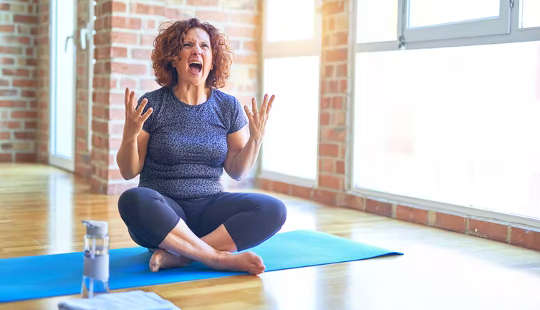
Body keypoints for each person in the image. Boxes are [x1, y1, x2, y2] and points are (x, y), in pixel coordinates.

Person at [116, 18, 286, 275]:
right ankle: (216, 258)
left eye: (205, 46)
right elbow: (129, 172)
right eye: (188, 45)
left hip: (210, 209)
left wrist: (256, 139)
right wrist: (129, 136)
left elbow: (237, 171)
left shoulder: (227, 106)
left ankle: (181, 256)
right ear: (173, 57)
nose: (197, 51)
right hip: (164, 212)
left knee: (274, 209)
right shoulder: (153, 104)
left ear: (213, 58)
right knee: (133, 200)